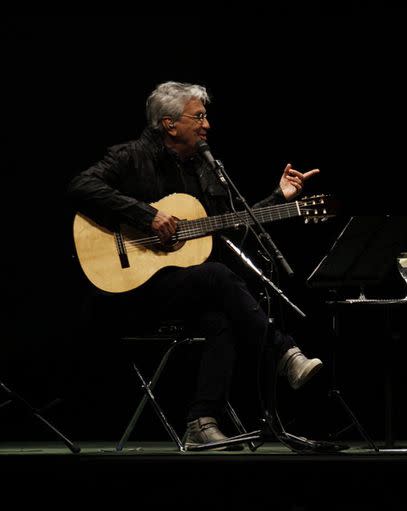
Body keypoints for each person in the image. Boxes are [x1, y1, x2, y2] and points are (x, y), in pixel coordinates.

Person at [67, 81, 323, 449]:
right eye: (198, 117)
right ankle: (284, 354)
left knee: (221, 316)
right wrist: (146, 215)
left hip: (177, 291)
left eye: (206, 117)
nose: (207, 125)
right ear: (169, 124)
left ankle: (201, 422)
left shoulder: (203, 169)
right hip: (126, 292)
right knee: (217, 277)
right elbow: (79, 186)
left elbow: (232, 226)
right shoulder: (130, 155)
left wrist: (278, 199)